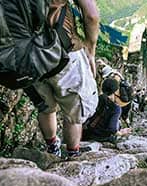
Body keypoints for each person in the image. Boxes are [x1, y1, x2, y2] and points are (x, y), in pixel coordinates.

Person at [32, 0, 100, 157]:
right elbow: (91, 16)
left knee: (46, 107)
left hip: (30, 55)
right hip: (64, 51)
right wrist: (90, 48)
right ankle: (72, 154)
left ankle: (52, 148)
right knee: (74, 112)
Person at [82, 78, 132, 143]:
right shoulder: (116, 108)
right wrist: (121, 132)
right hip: (99, 137)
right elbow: (112, 129)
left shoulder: (98, 98)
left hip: (85, 132)